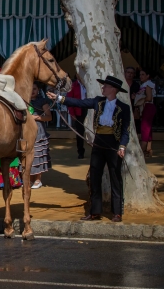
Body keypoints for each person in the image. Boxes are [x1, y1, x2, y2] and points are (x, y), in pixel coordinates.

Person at [47, 75, 130, 222]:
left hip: (114, 145)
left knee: (115, 178)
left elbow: (125, 131)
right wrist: (59, 98)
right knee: (94, 177)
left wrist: (122, 146)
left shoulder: (124, 108)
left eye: (106, 86)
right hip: (99, 142)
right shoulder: (98, 101)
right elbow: (79, 102)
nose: (103, 88)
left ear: (113, 89)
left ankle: (117, 212)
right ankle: (95, 211)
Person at [29, 82, 52, 189]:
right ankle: (29, 179)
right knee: (27, 155)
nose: (32, 91)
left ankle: (38, 180)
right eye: (30, 89)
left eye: (35, 88)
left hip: (39, 131)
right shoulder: (24, 101)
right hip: (26, 132)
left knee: (38, 155)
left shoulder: (43, 101)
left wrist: (36, 117)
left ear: (38, 90)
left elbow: (49, 117)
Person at [134, 68, 157, 158]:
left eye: (143, 74)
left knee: (145, 127)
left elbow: (149, 97)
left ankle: (142, 150)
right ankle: (148, 149)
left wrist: (139, 100)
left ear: (148, 76)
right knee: (148, 128)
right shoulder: (144, 84)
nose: (141, 76)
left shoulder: (149, 84)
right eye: (140, 75)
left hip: (148, 106)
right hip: (146, 106)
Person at [67, 74, 88, 159]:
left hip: (89, 108)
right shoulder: (73, 85)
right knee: (80, 132)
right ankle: (80, 151)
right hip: (79, 110)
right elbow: (69, 100)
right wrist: (72, 113)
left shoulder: (88, 84)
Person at [125, 66, 141, 132]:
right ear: (125, 73)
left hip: (132, 106)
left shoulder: (136, 85)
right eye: (128, 72)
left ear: (134, 75)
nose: (130, 74)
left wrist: (135, 97)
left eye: (132, 73)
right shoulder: (121, 83)